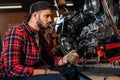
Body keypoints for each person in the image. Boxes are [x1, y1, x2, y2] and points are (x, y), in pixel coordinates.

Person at [1, 1, 80, 80]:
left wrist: (65, 59)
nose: (51, 20)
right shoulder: (17, 32)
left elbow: (50, 59)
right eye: (47, 16)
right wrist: (45, 72)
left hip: (32, 71)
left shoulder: (39, 35)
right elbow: (12, 69)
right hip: (13, 76)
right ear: (35, 15)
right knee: (57, 78)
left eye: (51, 17)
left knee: (71, 70)